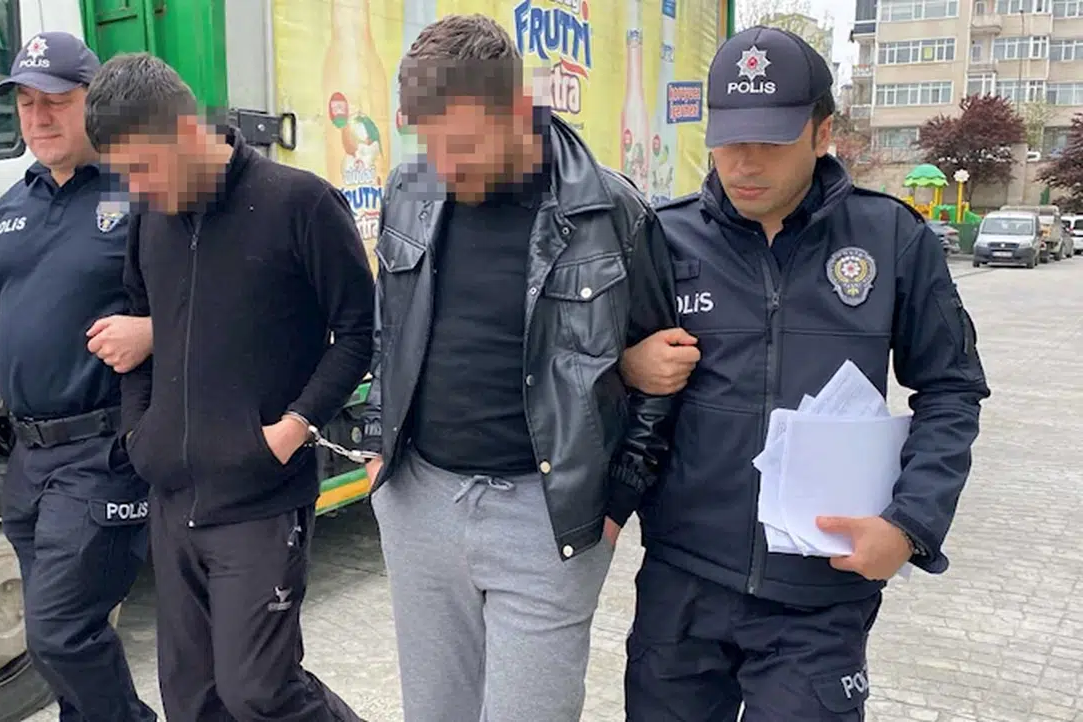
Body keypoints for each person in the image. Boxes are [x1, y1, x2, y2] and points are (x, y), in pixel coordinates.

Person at [616, 26, 991, 721]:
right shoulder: (663, 237)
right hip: (682, 584)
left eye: (771, 140)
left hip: (821, 593)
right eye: (730, 139)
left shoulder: (892, 239)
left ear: (822, 134)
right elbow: (581, 375)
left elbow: (951, 388)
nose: (745, 161)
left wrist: (910, 524)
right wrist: (626, 367)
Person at [358, 14, 678, 722]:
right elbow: (390, 328)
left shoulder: (609, 210)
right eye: (431, 144)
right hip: (420, 501)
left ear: (516, 110)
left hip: (547, 517)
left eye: (464, 145)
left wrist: (616, 503)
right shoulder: (409, 189)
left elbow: (666, 365)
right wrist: (379, 448)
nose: (446, 166)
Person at [84, 52, 373, 722]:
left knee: (261, 692)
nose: (136, 189)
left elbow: (360, 332)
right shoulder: (151, 219)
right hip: (171, 496)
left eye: (143, 167)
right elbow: (140, 327)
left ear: (187, 131)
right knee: (193, 702)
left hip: (260, 497)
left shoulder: (299, 203)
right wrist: (141, 433)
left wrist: (292, 430)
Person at [0, 32, 157, 722]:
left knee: (61, 631)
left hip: (103, 452)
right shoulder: (8, 211)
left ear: (95, 104)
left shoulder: (140, 193)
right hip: (28, 456)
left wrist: (153, 331)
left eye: (56, 100)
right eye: (25, 102)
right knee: (54, 640)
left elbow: (205, 301)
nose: (38, 116)